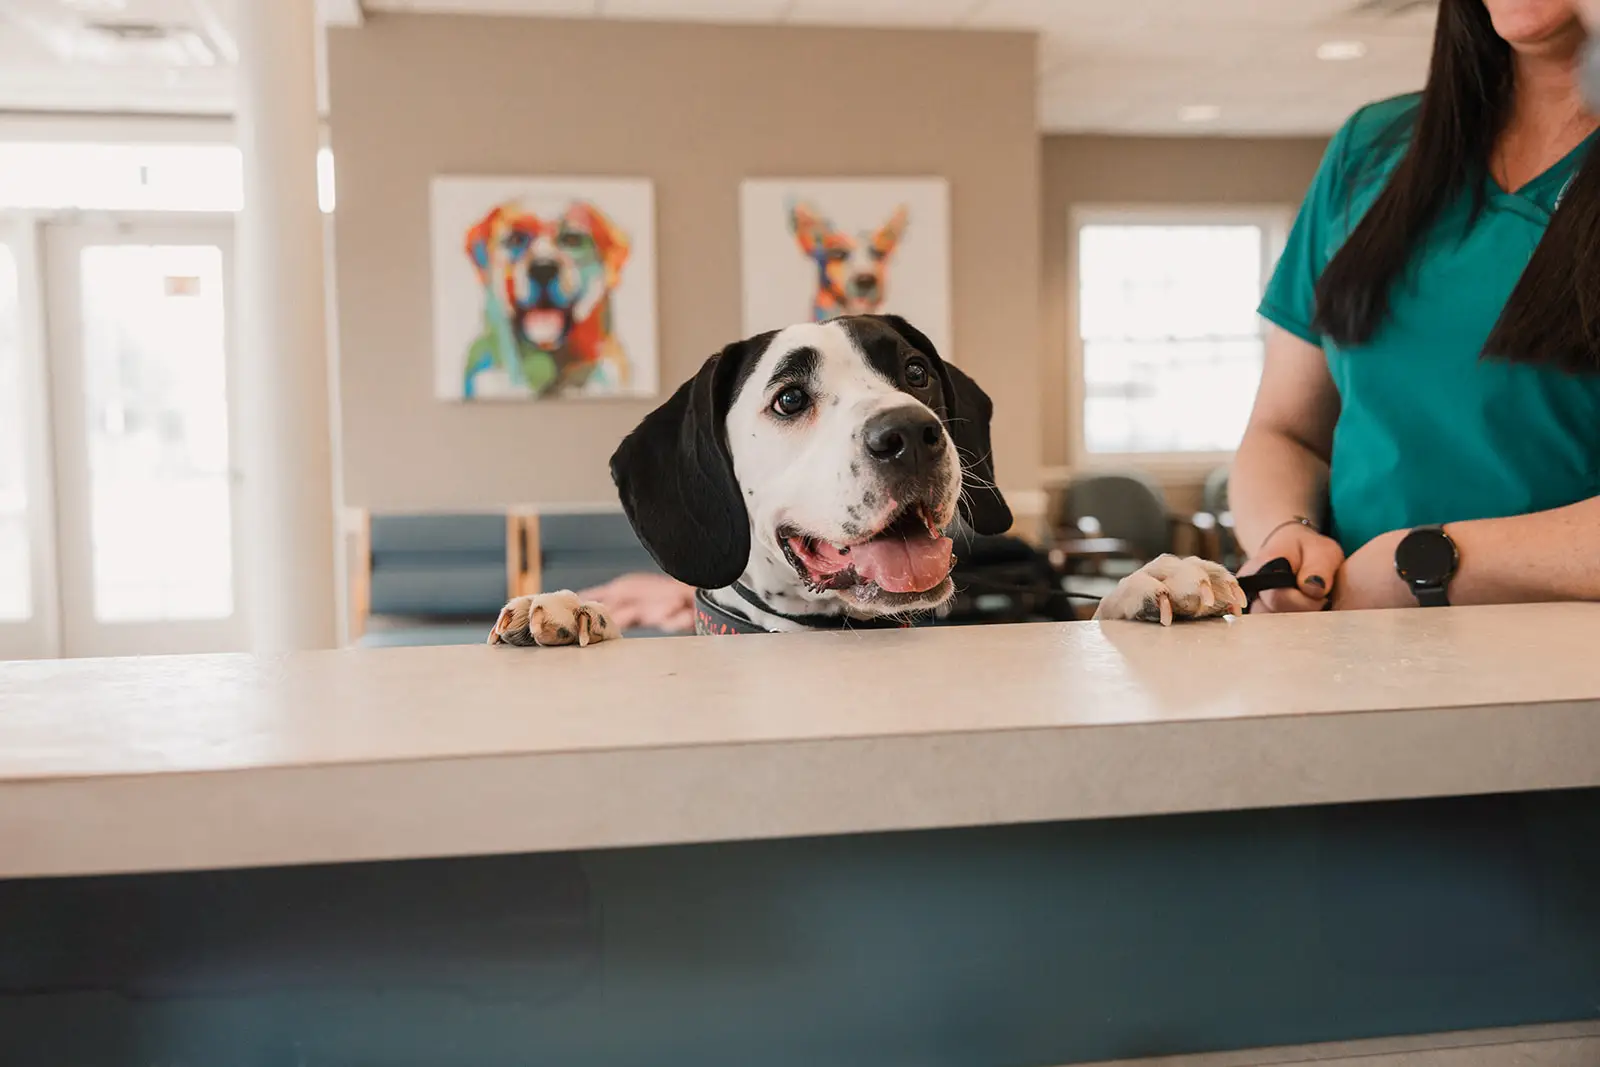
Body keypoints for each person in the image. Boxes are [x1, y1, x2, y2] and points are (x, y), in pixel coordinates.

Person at [1233, 0, 1600, 612]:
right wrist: (1284, 535)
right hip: (1357, 659)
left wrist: (1428, 562)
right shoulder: (1371, 148)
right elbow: (1285, 431)